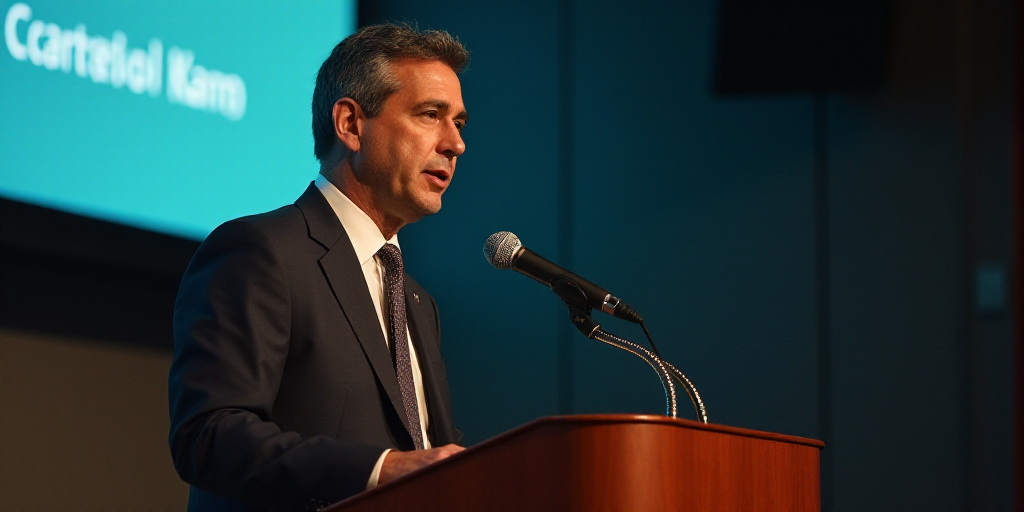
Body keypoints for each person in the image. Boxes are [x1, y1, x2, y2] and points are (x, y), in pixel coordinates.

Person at [168, 24, 469, 512]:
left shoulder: (417, 301)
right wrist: (381, 470)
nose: (454, 144)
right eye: (431, 115)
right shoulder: (261, 252)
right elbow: (209, 436)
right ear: (350, 123)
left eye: (459, 123)